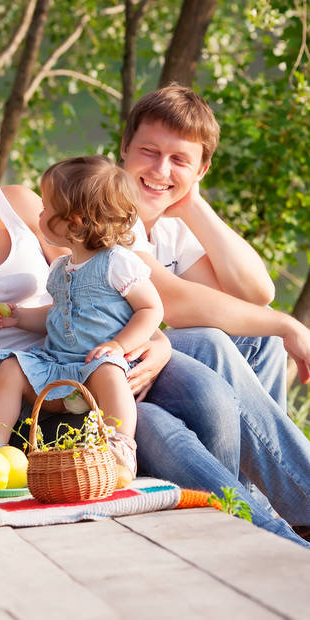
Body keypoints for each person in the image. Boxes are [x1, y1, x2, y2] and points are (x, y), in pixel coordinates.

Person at [0, 94, 309, 546]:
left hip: (88, 361)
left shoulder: (22, 206)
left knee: (208, 373)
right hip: (29, 400)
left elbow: (107, 285)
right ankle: (272, 536)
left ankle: (289, 513)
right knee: (160, 428)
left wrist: (162, 342)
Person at [117, 84, 310, 535]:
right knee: (209, 339)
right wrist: (289, 325)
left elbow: (253, 293)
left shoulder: (167, 226)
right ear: (124, 148)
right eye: (149, 151)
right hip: (106, 365)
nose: (160, 170)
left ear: (202, 168)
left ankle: (266, 496)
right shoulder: (104, 206)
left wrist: (195, 204)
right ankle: (302, 497)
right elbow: (177, 302)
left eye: (180, 160)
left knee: (257, 339)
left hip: (150, 362)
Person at [0, 156, 164, 479]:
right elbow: (58, 316)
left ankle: (118, 448)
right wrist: (20, 318)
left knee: (108, 370)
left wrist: (119, 345)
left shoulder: (117, 263)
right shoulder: (60, 269)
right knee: (11, 367)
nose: (39, 213)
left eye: (46, 208)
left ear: (74, 222)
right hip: (60, 366)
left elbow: (152, 309)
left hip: (98, 367)